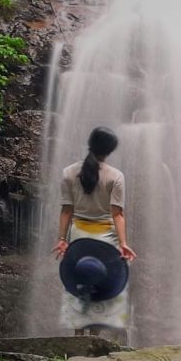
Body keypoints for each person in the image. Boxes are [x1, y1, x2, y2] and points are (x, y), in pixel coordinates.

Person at [53, 126, 135, 335]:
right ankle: (95, 338)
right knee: (103, 285)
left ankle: (77, 337)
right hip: (106, 239)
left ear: (90, 144)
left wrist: (62, 239)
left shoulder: (68, 173)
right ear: (109, 151)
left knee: (79, 281)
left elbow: (66, 210)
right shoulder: (116, 176)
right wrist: (124, 243)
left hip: (79, 236)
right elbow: (117, 214)